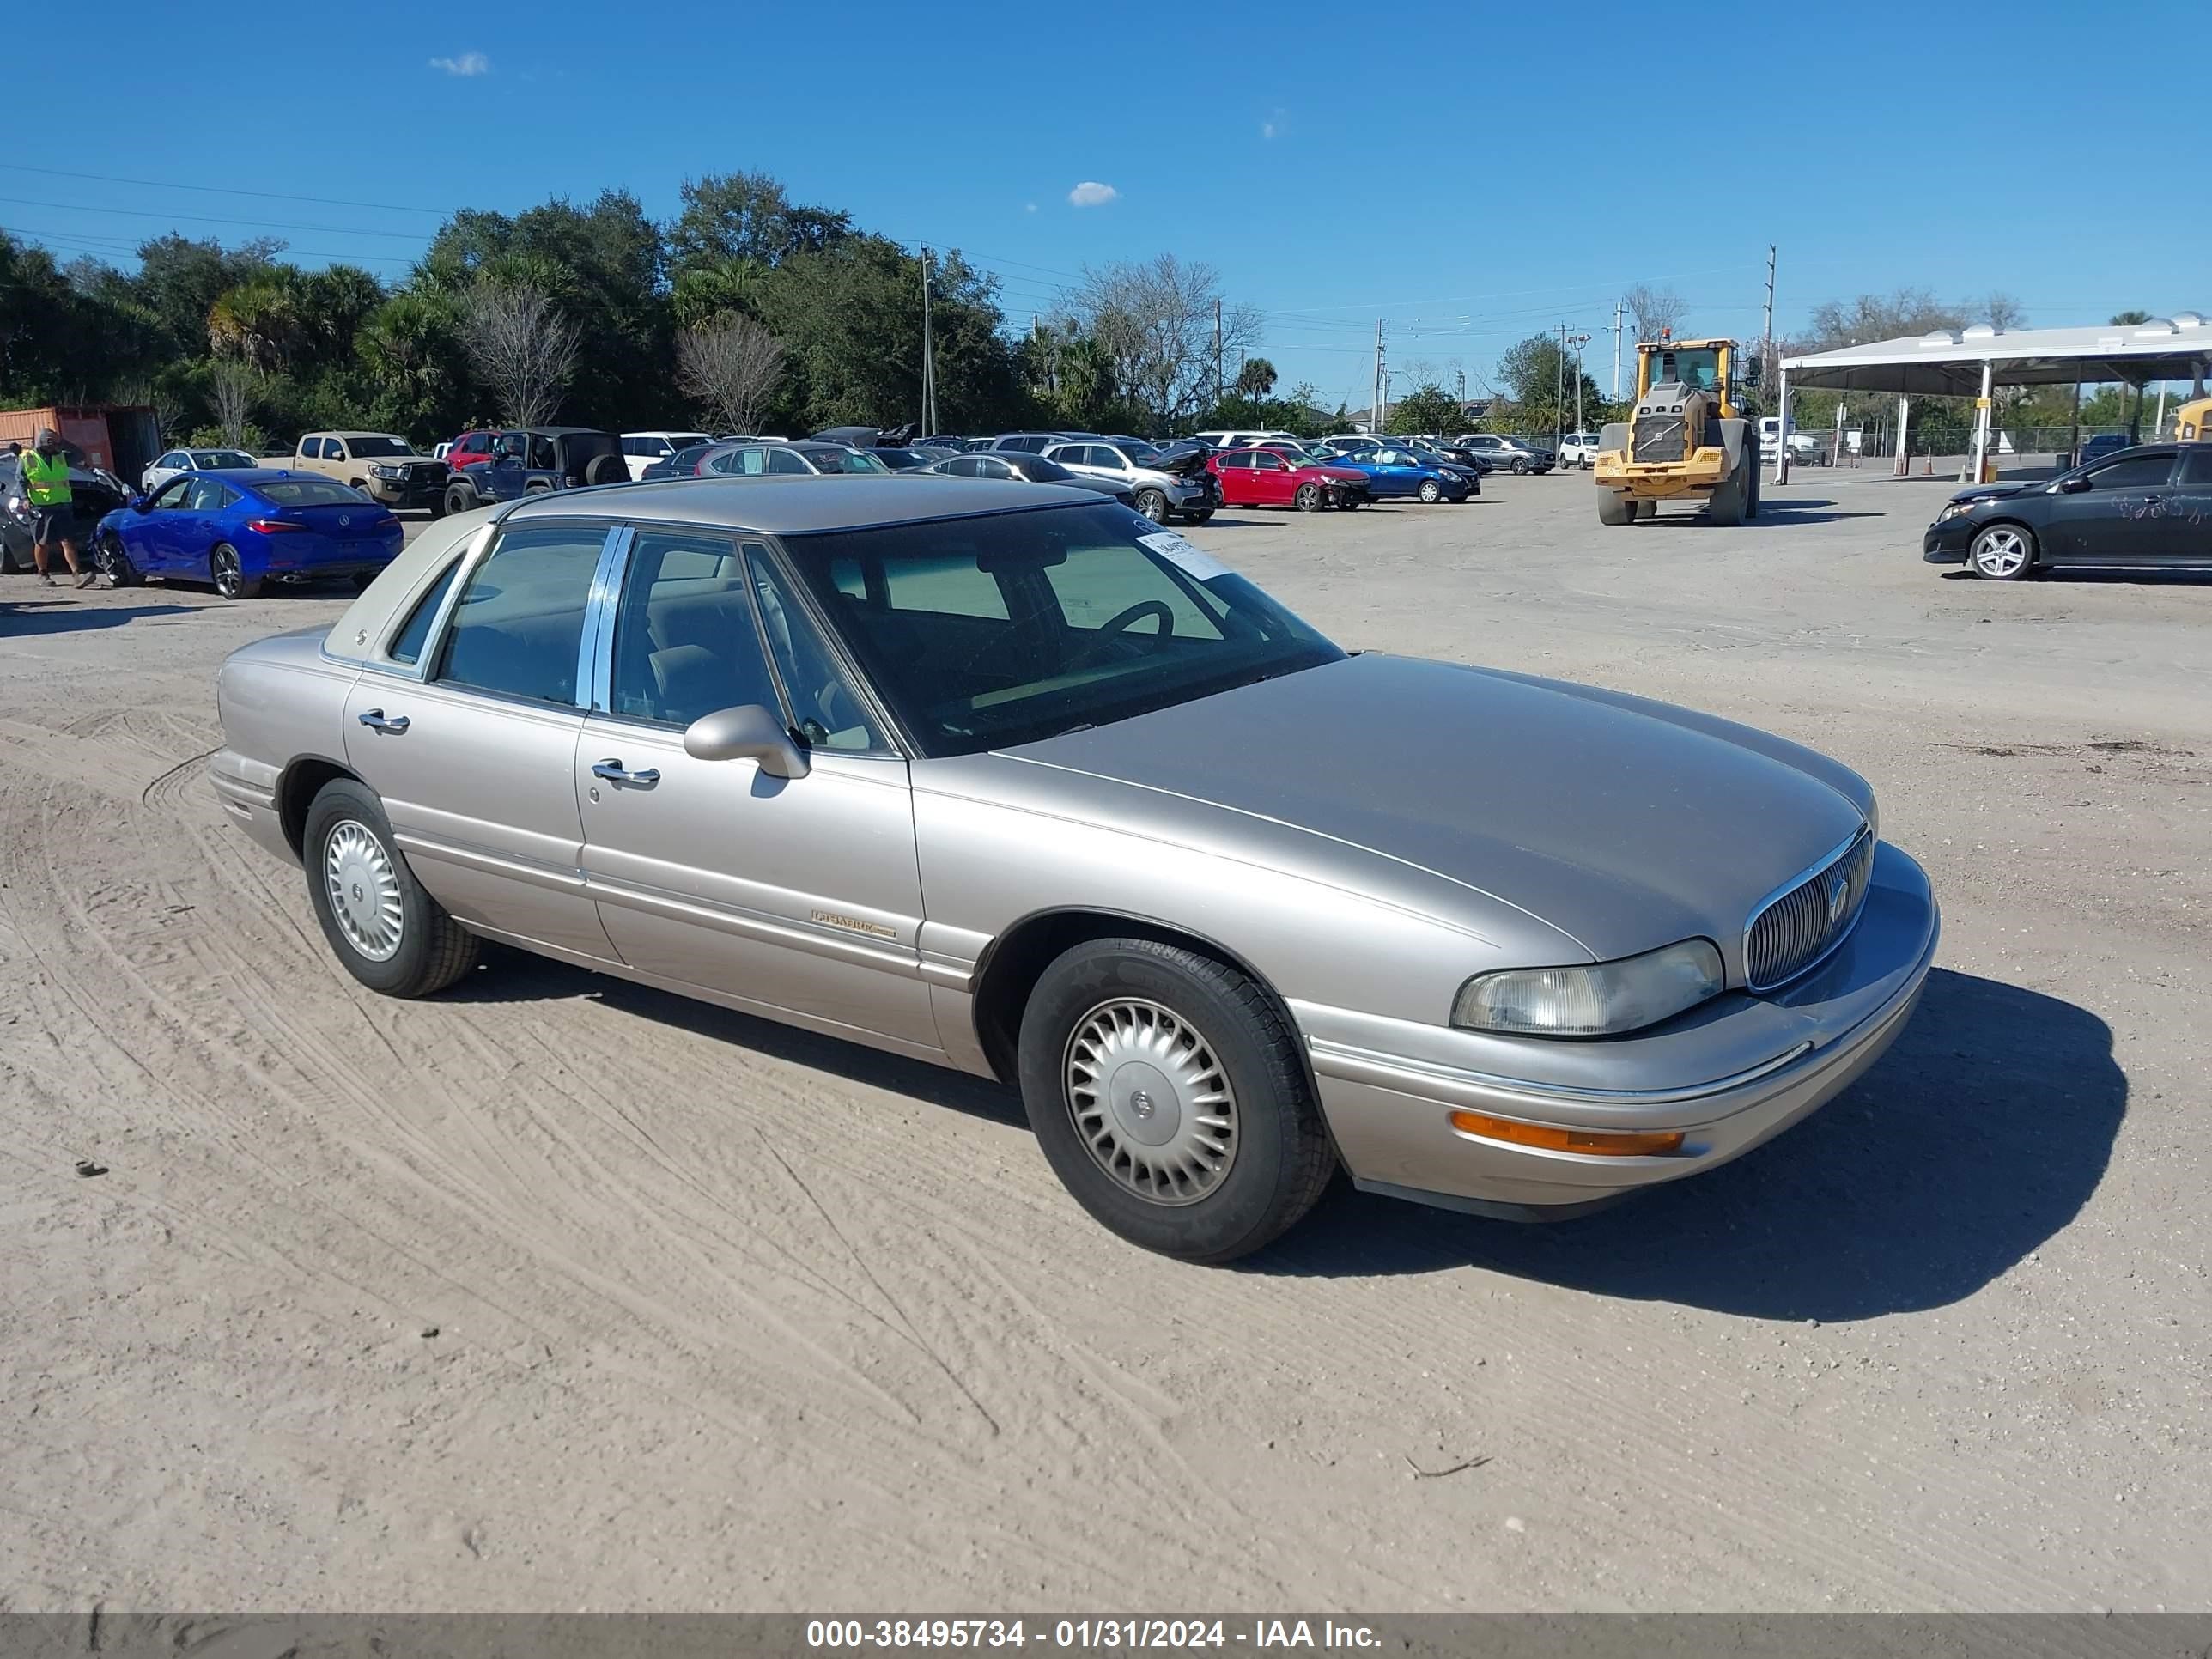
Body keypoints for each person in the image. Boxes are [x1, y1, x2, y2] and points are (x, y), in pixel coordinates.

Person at [21, 428, 94, 589]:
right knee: (42, 542)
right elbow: (21, 480)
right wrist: (25, 499)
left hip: (62, 504)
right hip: (41, 506)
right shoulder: (28, 458)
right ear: (42, 444)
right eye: (51, 444)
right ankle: (43, 574)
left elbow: (80, 455)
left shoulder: (61, 455)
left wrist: (63, 442)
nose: (54, 448)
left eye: (55, 444)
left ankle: (77, 574)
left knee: (67, 540)